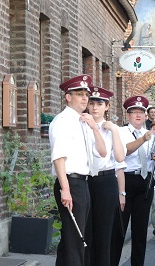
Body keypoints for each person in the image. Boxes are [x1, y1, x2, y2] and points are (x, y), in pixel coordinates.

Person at [49, 74, 107, 266]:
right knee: (76, 239)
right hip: (70, 182)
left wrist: (95, 128)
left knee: (73, 236)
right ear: (68, 97)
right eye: (79, 94)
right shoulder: (63, 120)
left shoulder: (82, 122)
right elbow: (59, 157)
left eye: (86, 95)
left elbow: (101, 151)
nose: (85, 98)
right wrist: (65, 189)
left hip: (83, 182)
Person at [110, 96, 155, 266]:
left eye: (141, 112)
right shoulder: (121, 132)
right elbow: (124, 152)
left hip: (145, 181)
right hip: (126, 181)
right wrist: (143, 139)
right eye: (134, 112)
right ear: (128, 115)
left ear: (146, 116)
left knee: (140, 232)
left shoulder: (151, 135)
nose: (138, 115)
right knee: (119, 230)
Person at [85, 86, 126, 266]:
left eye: (99, 104)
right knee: (86, 231)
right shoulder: (81, 124)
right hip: (85, 180)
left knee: (104, 231)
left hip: (106, 180)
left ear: (107, 107)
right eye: (92, 103)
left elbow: (119, 157)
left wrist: (115, 131)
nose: (95, 108)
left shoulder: (113, 129)